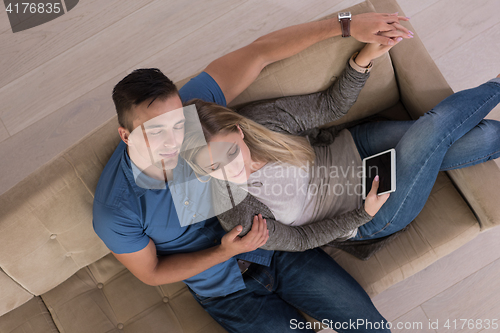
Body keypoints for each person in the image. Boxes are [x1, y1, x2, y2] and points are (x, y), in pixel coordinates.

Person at [92, 12, 413, 333]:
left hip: (276, 248)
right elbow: (152, 273)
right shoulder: (116, 210)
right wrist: (225, 251)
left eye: (178, 125)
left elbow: (260, 52)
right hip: (227, 291)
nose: (174, 141)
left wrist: (346, 25)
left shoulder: (194, 116)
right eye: (156, 132)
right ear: (126, 135)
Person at [182, 59, 500, 252]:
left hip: (357, 148)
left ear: (238, 131)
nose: (230, 169)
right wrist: (364, 214)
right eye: (213, 166)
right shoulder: (235, 210)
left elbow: (329, 106)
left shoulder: (261, 123)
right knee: (431, 131)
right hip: (368, 210)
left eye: (231, 152)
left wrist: (361, 62)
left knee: (481, 135)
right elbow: (302, 239)